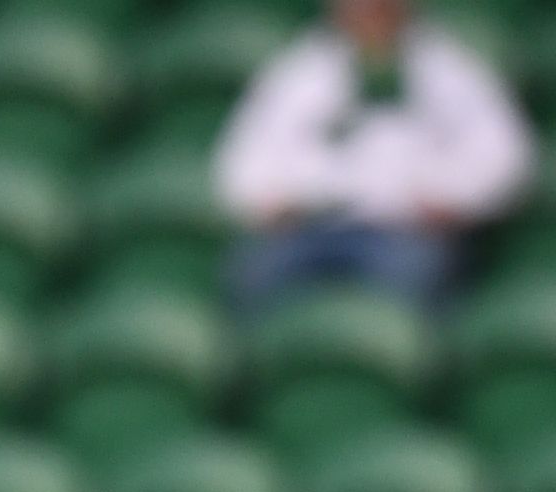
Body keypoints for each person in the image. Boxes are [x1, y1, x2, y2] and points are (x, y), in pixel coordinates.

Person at [210, 0, 534, 314]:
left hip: (403, 230)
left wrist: (452, 197)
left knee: (413, 277)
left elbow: (503, 152)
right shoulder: (299, 71)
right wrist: (270, 200)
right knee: (254, 275)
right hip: (309, 227)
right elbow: (246, 155)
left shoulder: (448, 69)